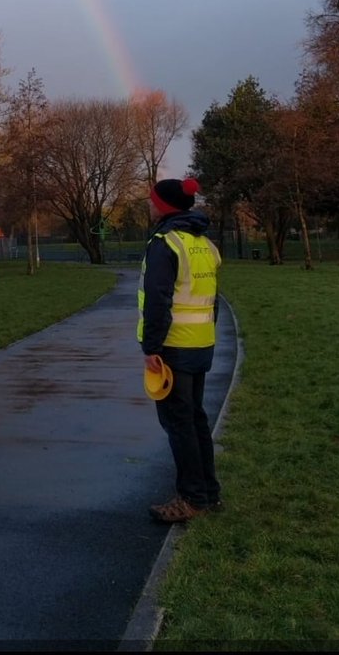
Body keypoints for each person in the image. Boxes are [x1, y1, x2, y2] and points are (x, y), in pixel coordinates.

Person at [138, 176, 222, 523]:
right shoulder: (204, 243)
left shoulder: (165, 242)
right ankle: (208, 493)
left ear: (164, 205)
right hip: (200, 343)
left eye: (151, 199)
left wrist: (151, 346)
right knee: (195, 420)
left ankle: (192, 499)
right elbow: (213, 300)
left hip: (172, 347)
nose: (148, 203)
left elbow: (158, 300)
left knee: (179, 423)